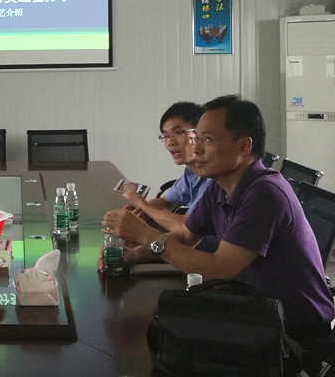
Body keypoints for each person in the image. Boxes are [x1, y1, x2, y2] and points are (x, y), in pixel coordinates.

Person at [102, 95, 335, 350]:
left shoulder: (264, 193)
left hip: (294, 333)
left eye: (207, 140)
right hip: (254, 313)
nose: (196, 149)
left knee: (159, 343)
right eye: (197, 139)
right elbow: (185, 236)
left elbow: (220, 269)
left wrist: (148, 235)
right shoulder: (220, 186)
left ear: (243, 146)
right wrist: (135, 255)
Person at [121, 101, 209, 232]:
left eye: (179, 132)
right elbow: (166, 202)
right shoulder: (191, 172)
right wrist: (140, 211)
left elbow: (188, 227)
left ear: (200, 133)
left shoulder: (214, 178)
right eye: (166, 136)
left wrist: (142, 204)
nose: (170, 142)